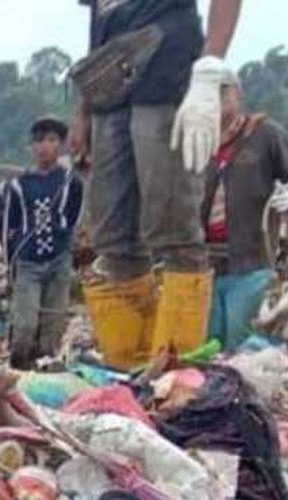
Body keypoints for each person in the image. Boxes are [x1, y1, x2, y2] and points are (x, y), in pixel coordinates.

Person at [69, 0, 244, 369]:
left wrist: (210, 69)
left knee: (172, 228)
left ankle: (176, 372)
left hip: (167, 67)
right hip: (111, 84)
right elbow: (100, 24)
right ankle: (129, 368)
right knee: (112, 239)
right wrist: (83, 111)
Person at [203, 72, 288, 351]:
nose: (216, 101)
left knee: (243, 342)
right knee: (207, 345)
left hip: (250, 261)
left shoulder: (265, 135)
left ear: (238, 93)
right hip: (203, 265)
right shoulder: (197, 140)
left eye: (223, 92)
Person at [4, 116, 84, 369]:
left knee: (53, 324)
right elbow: (10, 227)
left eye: (51, 140)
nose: (44, 147)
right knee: (25, 326)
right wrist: (10, 267)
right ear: (32, 146)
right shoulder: (18, 185)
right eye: (39, 141)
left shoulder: (70, 181)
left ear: (60, 145)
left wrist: (69, 250)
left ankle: (44, 373)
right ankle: (17, 367)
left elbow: (72, 218)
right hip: (27, 263)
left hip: (59, 261)